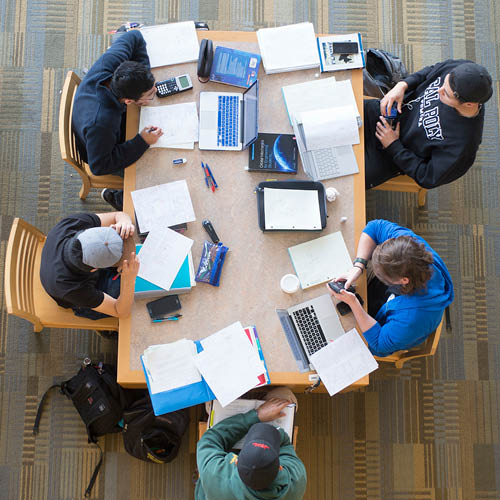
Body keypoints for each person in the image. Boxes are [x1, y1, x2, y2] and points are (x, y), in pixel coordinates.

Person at [327, 219, 454, 357]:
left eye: (382, 275)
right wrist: (359, 266)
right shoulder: (408, 246)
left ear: (403, 280)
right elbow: (374, 227)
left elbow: (378, 344)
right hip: (396, 301)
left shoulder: (412, 319)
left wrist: (354, 304)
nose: (376, 273)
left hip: (393, 329)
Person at [364, 59, 493, 189]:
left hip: (392, 155)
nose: (439, 91)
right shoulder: (462, 69)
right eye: (443, 83)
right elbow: (430, 71)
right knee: (345, 112)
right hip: (389, 112)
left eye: (446, 94)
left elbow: (427, 177)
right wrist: (403, 85)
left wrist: (393, 146)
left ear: (469, 104)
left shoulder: (463, 147)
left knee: (348, 176)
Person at [72, 29, 163, 209]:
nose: (154, 94)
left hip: (97, 128)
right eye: (150, 94)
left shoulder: (112, 66)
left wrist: (143, 78)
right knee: (156, 178)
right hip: (99, 149)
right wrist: (141, 141)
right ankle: (116, 196)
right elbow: (100, 166)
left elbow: (134, 36)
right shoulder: (102, 123)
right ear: (129, 101)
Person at [196, 393, 307, 500]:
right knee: (285, 395)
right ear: (280, 467)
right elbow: (285, 443)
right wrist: (275, 434)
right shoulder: (296, 479)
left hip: (217, 485)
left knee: (219, 396)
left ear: (236, 461)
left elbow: (210, 439)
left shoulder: (214, 474)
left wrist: (256, 416)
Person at [40, 212, 139, 324]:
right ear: (95, 269)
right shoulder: (72, 289)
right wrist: (129, 281)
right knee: (135, 296)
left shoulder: (74, 222)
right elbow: (120, 312)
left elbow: (118, 215)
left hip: (61, 268)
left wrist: (124, 222)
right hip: (77, 298)